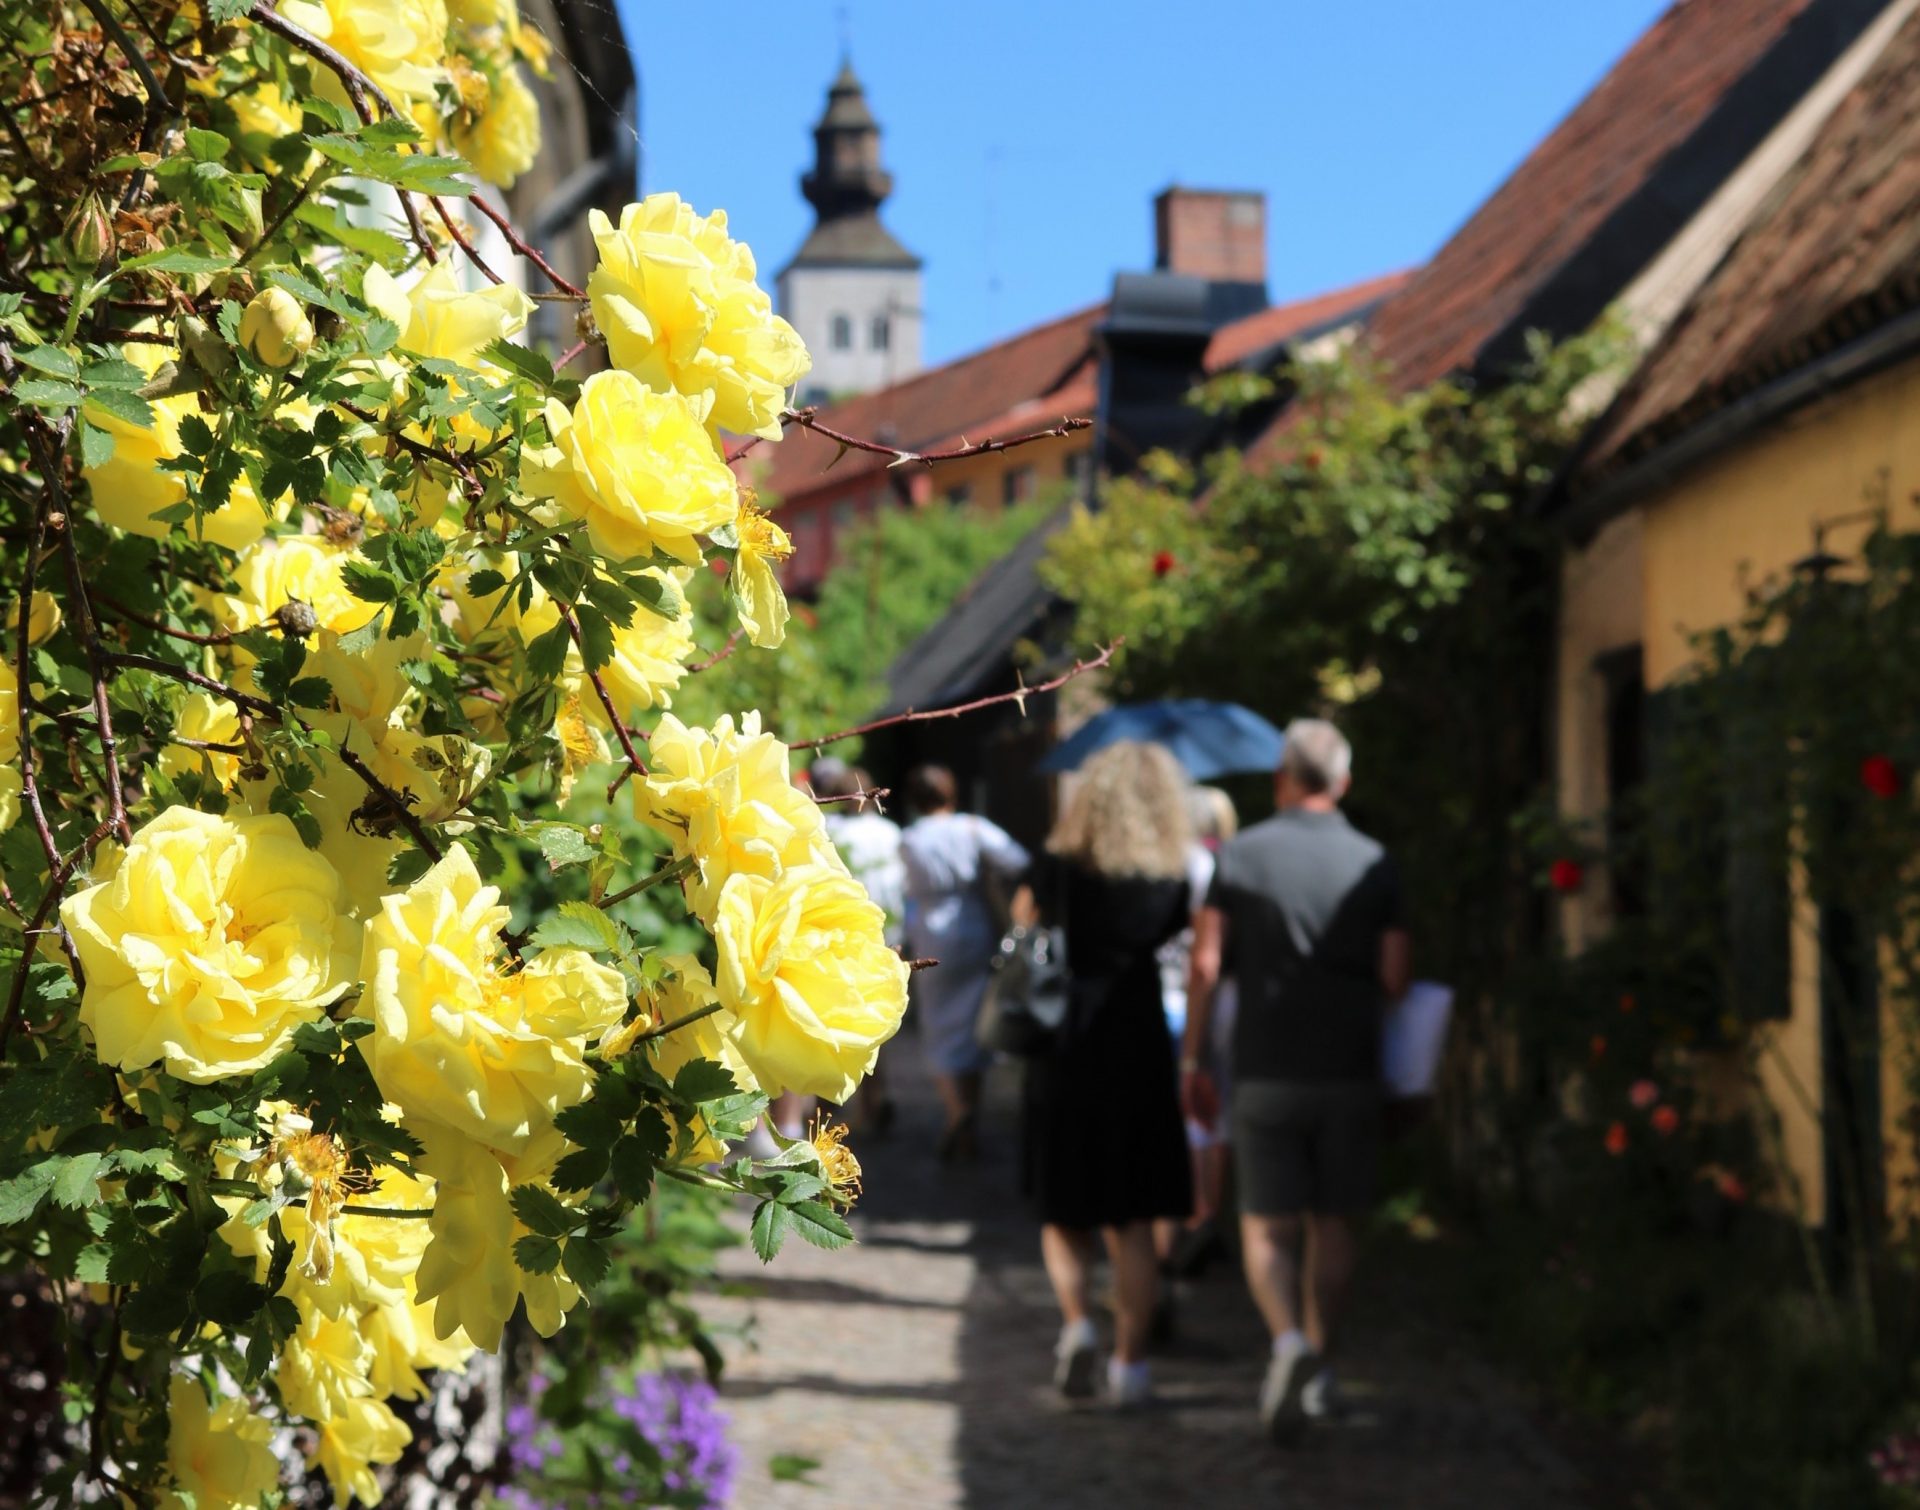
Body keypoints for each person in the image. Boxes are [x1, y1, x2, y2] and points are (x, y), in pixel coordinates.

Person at [1183, 719, 1410, 1443]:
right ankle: (1321, 1365)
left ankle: (1285, 1343)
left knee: (1267, 1225)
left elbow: (1207, 964)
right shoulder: (1376, 861)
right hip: (1348, 1066)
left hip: (1264, 1067)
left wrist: (1193, 1058)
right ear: (1342, 783)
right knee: (1334, 1222)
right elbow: (1395, 975)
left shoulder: (1242, 856)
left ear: (1282, 780)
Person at [1026, 741, 1195, 1407]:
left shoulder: (1061, 866)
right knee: (1133, 1215)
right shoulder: (1169, 878)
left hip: (1068, 1038)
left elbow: (1024, 926)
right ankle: (1131, 1367)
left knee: (1064, 1206)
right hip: (1140, 1042)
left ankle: (1076, 1328)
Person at [899, 764, 1029, 1161]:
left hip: (929, 930)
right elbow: (1020, 861)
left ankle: (957, 1114)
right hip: (972, 926)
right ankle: (969, 1115)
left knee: (939, 1027)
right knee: (974, 1025)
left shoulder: (909, 839)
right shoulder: (972, 828)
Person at [812, 757, 906, 1135]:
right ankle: (876, 1097)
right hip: (888, 932)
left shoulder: (830, 830)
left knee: (835, 1016)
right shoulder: (890, 831)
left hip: (843, 934)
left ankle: (831, 1107)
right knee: (878, 1013)